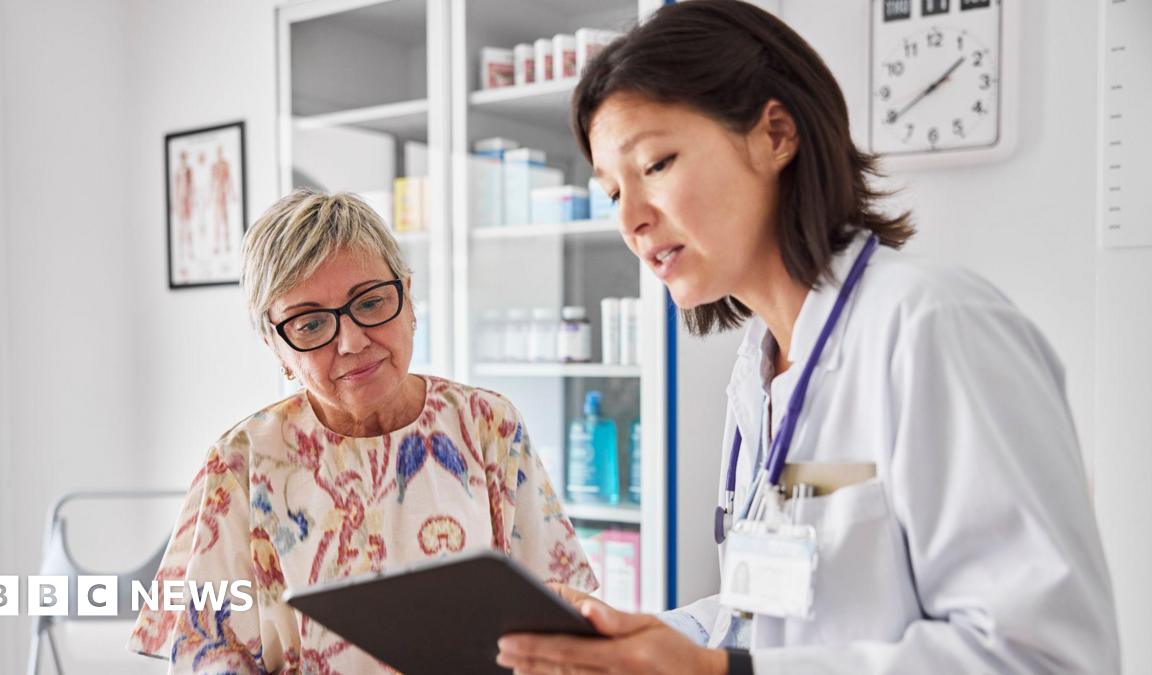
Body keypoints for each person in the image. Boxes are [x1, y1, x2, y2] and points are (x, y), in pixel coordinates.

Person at [496, 2, 1120, 673]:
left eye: (656, 164)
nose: (634, 220)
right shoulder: (762, 367)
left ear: (776, 134)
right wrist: (639, 638)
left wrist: (718, 672)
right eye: (612, 191)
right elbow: (774, 615)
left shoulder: (932, 325)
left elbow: (1046, 656)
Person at [128, 189, 597, 673]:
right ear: (276, 345)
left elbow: (558, 609)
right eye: (310, 325)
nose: (352, 342)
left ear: (408, 298)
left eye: (371, 303)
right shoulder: (243, 461)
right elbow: (207, 654)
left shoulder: (487, 424)